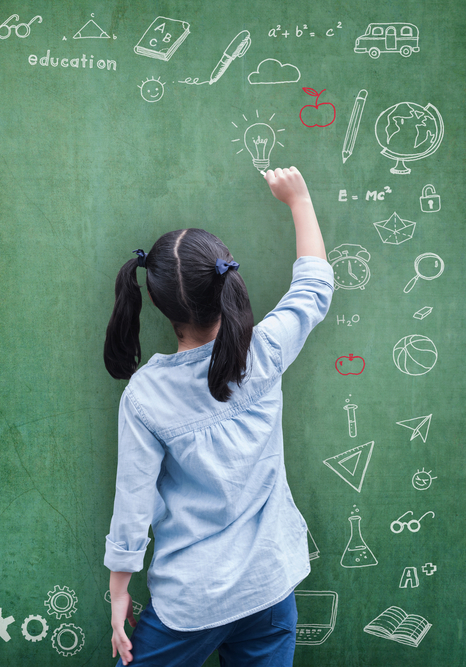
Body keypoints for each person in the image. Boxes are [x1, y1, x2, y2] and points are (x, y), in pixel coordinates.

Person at [102, 167, 333, 666]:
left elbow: (133, 501)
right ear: (228, 280)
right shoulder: (264, 353)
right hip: (270, 585)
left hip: (192, 599)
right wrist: (299, 200)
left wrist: (120, 589)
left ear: (158, 304)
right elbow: (314, 288)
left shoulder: (146, 395)